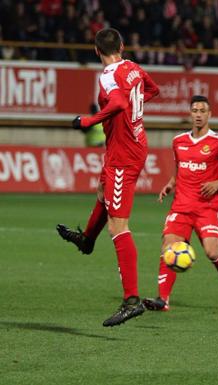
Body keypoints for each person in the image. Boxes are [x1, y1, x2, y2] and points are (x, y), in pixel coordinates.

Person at [56, 28, 160, 327]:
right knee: (103, 192)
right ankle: (87, 239)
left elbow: (118, 104)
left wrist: (88, 120)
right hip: (135, 144)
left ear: (95, 50)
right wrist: (132, 117)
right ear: (123, 46)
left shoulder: (108, 75)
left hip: (123, 155)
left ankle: (131, 300)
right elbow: (153, 91)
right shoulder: (134, 69)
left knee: (118, 226)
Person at [142, 95, 218, 312]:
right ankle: (163, 300)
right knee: (168, 248)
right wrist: (170, 184)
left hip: (207, 207)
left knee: (211, 252)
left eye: (202, 111)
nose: (198, 115)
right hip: (181, 205)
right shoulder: (178, 141)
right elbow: (179, 169)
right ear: (190, 114)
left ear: (209, 114)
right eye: (195, 111)